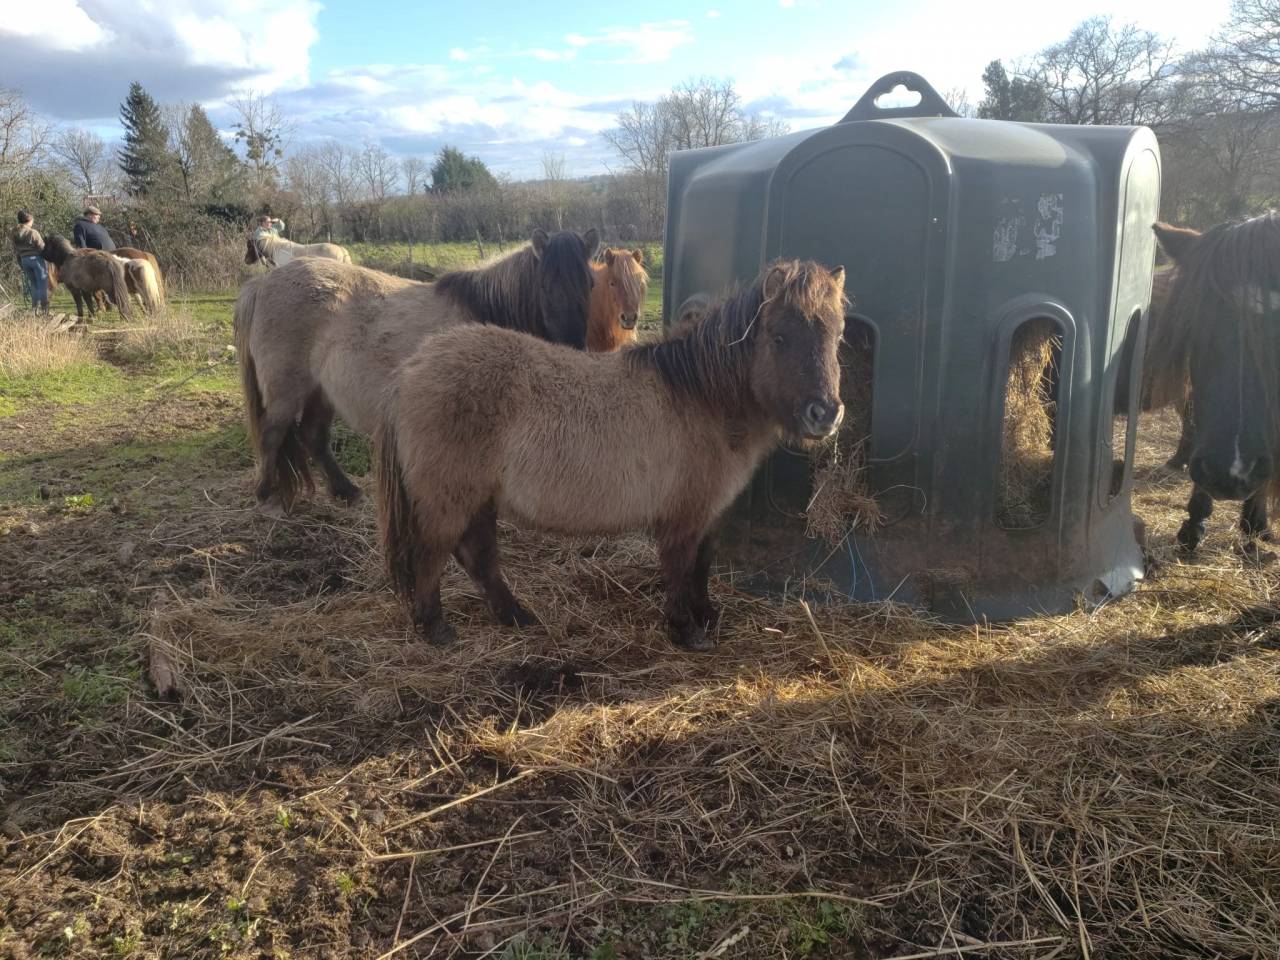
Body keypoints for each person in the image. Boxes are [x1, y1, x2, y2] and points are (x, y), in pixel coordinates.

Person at [10, 210, 48, 313]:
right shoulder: (33, 232)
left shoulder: (14, 233)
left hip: (24, 260)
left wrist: (21, 264)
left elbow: (16, 251)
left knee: (34, 285)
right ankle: (45, 309)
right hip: (36, 260)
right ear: (29, 220)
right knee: (43, 284)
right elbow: (42, 248)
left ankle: (34, 309)